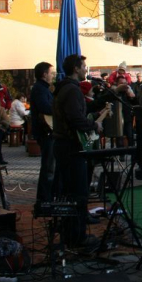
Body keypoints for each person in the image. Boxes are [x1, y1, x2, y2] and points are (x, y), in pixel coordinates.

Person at [52, 54, 104, 248]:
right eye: (83, 66)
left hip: (64, 146)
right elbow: (76, 119)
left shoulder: (64, 88)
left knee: (70, 192)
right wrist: (93, 125)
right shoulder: (72, 90)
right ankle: (77, 237)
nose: (85, 70)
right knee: (78, 193)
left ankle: (70, 235)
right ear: (75, 68)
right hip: (70, 147)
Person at [30, 62, 56, 203]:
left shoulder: (43, 88)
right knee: (48, 167)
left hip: (46, 131)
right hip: (45, 132)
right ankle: (45, 198)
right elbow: (44, 107)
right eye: (51, 73)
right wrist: (58, 108)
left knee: (49, 166)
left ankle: (46, 196)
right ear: (44, 74)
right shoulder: (40, 89)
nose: (52, 75)